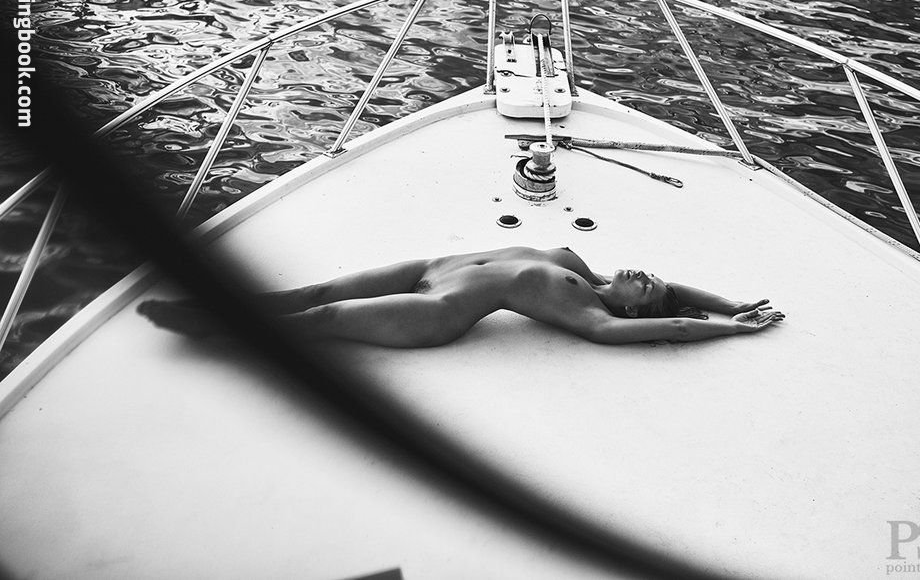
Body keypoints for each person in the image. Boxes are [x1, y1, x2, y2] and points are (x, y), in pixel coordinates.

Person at [138, 245, 784, 347]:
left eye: (648, 285)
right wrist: (731, 301)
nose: (646, 273)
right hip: (432, 266)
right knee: (314, 289)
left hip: (438, 311)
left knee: (324, 316)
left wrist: (732, 330)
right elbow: (678, 297)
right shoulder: (583, 271)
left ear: (634, 306)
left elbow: (669, 325)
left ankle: (214, 330)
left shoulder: (594, 315)